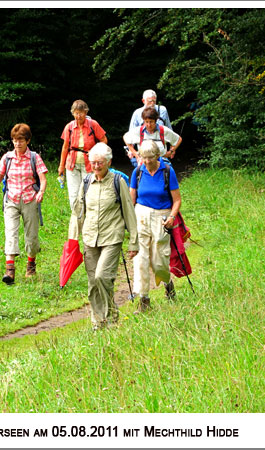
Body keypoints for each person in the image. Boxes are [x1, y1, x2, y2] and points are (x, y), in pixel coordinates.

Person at [68, 143, 138, 330]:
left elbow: (128, 211)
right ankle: (98, 322)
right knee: (93, 283)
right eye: (93, 163)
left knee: (102, 277)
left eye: (100, 162)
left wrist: (133, 242)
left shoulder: (118, 182)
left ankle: (112, 315)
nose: (96, 166)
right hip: (90, 237)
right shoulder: (86, 182)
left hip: (112, 237)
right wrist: (73, 239)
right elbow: (78, 212)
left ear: (108, 162)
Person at [0, 123, 48, 284]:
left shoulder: (34, 157)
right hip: (11, 200)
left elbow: (42, 178)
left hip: (30, 200)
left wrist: (41, 191)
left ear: (27, 141)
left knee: (32, 235)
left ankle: (31, 265)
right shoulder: (7, 158)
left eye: (20, 140)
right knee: (11, 233)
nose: (17, 143)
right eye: (14, 140)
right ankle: (10, 270)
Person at [129, 140, 181, 312]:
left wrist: (172, 217)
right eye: (144, 158)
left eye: (151, 158)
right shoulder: (137, 171)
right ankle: (144, 300)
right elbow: (132, 200)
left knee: (159, 260)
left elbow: (177, 200)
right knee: (141, 258)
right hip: (141, 215)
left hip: (161, 216)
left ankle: (167, 283)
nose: (147, 161)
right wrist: (130, 223)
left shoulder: (167, 171)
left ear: (157, 156)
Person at [58, 99, 108, 209]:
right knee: (74, 193)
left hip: (89, 164)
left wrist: (95, 150)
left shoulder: (93, 124)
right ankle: (76, 218)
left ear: (86, 113)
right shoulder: (69, 127)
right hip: (72, 164)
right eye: (76, 113)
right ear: (73, 113)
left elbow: (104, 140)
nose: (78, 116)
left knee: (89, 191)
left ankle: (88, 216)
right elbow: (65, 147)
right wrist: (61, 166)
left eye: (81, 113)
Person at [127, 90, 173, 167]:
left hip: (160, 150)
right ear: (143, 101)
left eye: (154, 101)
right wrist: (131, 151)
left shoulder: (162, 110)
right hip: (144, 150)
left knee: (167, 170)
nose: (152, 104)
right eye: (149, 101)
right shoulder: (137, 113)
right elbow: (130, 134)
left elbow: (169, 128)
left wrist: (172, 149)